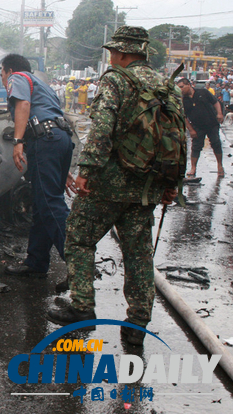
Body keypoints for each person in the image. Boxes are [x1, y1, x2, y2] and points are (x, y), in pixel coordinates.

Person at [46, 26, 181, 346]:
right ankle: (137, 322)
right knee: (138, 253)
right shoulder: (166, 85)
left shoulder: (116, 80)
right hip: (147, 185)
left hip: (108, 184)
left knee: (79, 238)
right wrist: (172, 182)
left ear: (121, 53)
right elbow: (177, 135)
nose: (111, 57)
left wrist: (86, 170)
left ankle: (82, 306)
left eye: (112, 52)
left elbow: (102, 129)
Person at [0, 54, 75, 278]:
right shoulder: (42, 84)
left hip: (45, 141)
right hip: (57, 139)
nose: (3, 79)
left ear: (9, 70)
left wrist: (18, 141)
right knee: (43, 202)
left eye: (1, 73)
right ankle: (36, 261)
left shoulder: (18, 77)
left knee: (50, 204)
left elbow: (23, 104)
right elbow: (53, 117)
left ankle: (78, 267)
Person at [176, 77, 225, 178]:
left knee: (216, 143)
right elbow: (183, 116)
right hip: (197, 126)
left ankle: (220, 165)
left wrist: (219, 113)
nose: (180, 89)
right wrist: (191, 129)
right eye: (178, 88)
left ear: (188, 85)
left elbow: (215, 102)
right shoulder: (183, 101)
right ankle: (193, 168)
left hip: (212, 123)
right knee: (196, 147)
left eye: (182, 87)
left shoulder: (203, 92)